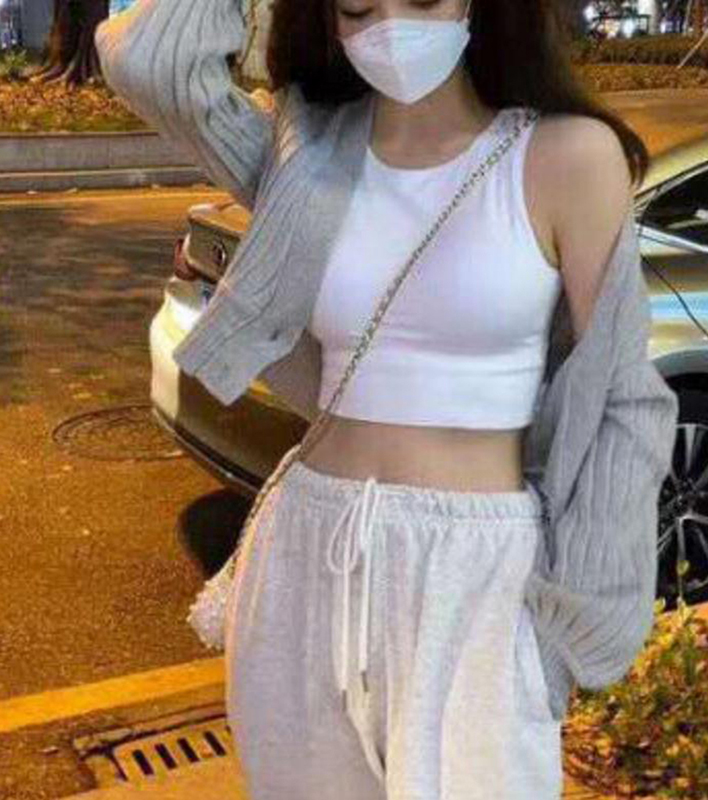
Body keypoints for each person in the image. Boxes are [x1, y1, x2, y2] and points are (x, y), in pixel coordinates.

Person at [95, 1, 667, 798]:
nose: (390, 25)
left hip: (477, 577)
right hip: (305, 552)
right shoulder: (305, 153)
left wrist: (569, 633)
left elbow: (626, 401)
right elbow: (146, 58)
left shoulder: (569, 156)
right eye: (360, 6)